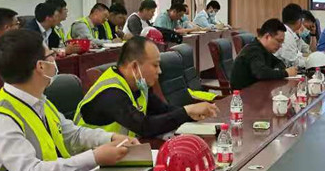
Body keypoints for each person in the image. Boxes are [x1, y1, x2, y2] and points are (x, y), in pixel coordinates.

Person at [0, 29, 134, 171]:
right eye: (51, 54)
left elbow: (72, 134)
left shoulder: (37, 100)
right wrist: (94, 157)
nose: (55, 58)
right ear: (41, 66)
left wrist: (110, 138)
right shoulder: (1, 119)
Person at [75, 36, 218, 139]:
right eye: (155, 65)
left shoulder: (139, 85)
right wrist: (187, 111)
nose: (159, 71)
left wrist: (192, 114)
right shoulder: (111, 93)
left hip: (117, 154)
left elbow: (163, 110)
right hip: (87, 162)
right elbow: (144, 126)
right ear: (134, 66)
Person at [230, 19, 298, 90]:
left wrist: (279, 70)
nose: (280, 45)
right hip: (244, 93)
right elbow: (261, 73)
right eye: (279, 41)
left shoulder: (264, 49)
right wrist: (286, 73)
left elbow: (279, 63)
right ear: (267, 37)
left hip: (257, 90)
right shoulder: (253, 50)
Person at [276, 3, 309, 69]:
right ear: (299, 21)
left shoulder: (289, 33)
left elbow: (297, 55)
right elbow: (294, 63)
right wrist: (311, 62)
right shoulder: (287, 35)